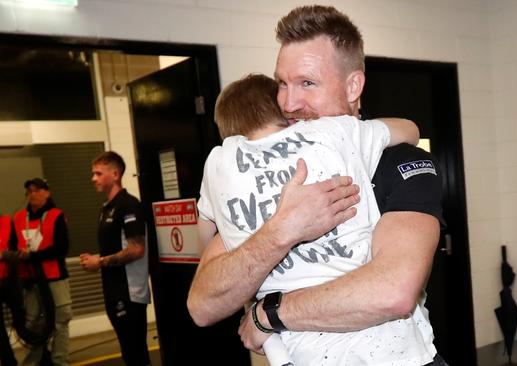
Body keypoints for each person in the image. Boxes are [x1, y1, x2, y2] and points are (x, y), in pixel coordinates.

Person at [188, 5, 447, 366]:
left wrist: (270, 314)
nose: (288, 103)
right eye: (282, 83)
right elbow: (203, 304)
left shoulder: (399, 161)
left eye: (307, 83)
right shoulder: (272, 172)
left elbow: (393, 292)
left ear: (353, 85)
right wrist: (282, 230)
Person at [195, 73, 419, 363]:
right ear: (285, 113)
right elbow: (410, 130)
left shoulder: (217, 162)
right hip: (365, 318)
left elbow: (204, 236)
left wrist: (230, 238)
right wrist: (357, 129)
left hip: (291, 340)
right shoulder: (330, 132)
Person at [80, 151, 151, 366]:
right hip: (112, 290)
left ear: (115, 174)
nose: (93, 178)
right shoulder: (106, 208)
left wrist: (99, 262)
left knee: (136, 351)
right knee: (129, 353)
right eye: (93, 174)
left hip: (129, 293)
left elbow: (137, 249)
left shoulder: (129, 205)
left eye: (98, 173)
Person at [13, 178, 72, 366]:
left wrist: (33, 255)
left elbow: (62, 248)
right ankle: (33, 362)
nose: (33, 194)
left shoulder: (56, 216)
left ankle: (59, 361)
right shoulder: (19, 218)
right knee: (33, 325)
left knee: (60, 322)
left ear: (47, 193)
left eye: (37, 190)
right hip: (31, 281)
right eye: (29, 191)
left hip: (55, 278)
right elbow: (14, 247)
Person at [0, 213, 18, 366]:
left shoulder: (6, 222)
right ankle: (9, 361)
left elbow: (15, 248)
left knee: (22, 319)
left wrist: (8, 255)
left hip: (9, 280)